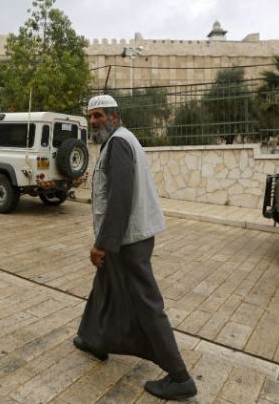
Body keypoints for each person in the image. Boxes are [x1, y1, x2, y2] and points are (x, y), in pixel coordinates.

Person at [73, 94, 197, 400]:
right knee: (105, 286)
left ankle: (180, 377)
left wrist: (103, 244)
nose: (94, 122)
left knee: (146, 303)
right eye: (91, 116)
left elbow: (120, 198)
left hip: (127, 241)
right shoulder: (122, 140)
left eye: (99, 116)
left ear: (115, 116)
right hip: (129, 237)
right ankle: (93, 340)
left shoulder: (118, 144)